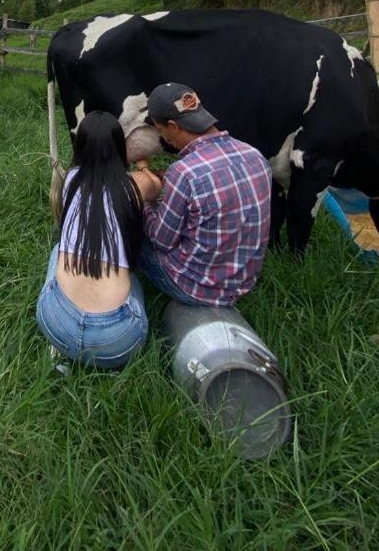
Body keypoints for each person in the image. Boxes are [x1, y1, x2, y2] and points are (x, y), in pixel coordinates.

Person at [36, 110, 159, 370]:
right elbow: (155, 185)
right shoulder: (132, 186)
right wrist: (144, 166)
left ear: (80, 146)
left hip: (55, 321)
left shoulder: (71, 178)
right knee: (133, 279)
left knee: (60, 249)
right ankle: (106, 365)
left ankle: (61, 352)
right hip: (117, 342)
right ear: (119, 147)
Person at [138, 82, 272, 307]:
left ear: (172, 126)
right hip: (243, 283)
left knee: (134, 225)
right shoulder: (255, 156)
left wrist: (144, 202)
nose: (166, 140)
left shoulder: (184, 172)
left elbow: (162, 240)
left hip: (195, 287)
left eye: (161, 131)